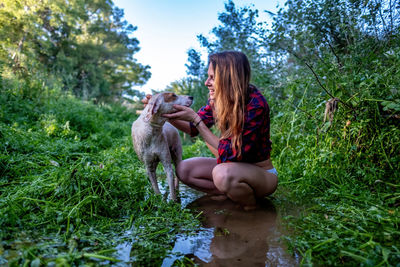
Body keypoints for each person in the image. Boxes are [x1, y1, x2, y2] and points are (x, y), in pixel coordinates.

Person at [143, 51, 278, 210]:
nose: (207, 82)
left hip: (261, 173)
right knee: (184, 169)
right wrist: (164, 113)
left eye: (212, 77)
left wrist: (196, 119)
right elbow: (192, 129)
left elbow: (232, 153)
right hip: (232, 167)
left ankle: (251, 210)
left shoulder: (255, 104)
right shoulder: (218, 100)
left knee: (223, 174)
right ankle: (232, 195)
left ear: (229, 77)